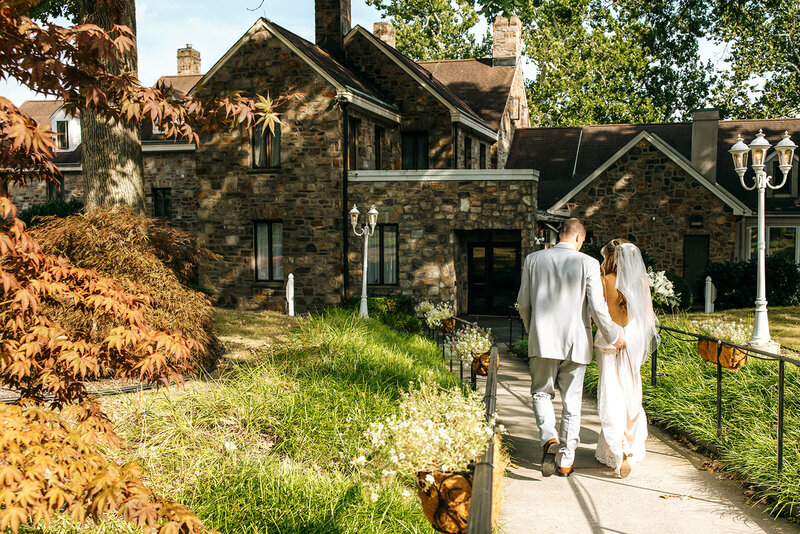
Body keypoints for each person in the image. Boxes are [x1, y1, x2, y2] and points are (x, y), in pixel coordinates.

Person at [517, 218, 625, 478]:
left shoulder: (533, 260)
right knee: (571, 402)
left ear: (560, 235)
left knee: (541, 394)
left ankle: (548, 438)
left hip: (543, 341)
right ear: (578, 238)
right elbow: (597, 308)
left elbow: (523, 303)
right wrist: (613, 335)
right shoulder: (589, 263)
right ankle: (566, 461)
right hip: (577, 341)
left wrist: (534, 331)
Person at [594, 239, 659, 478]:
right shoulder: (641, 282)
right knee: (631, 392)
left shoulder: (603, 281)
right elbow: (648, 319)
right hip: (632, 340)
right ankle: (629, 447)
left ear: (610, 257)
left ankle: (617, 448)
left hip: (608, 341)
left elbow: (597, 314)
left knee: (611, 391)